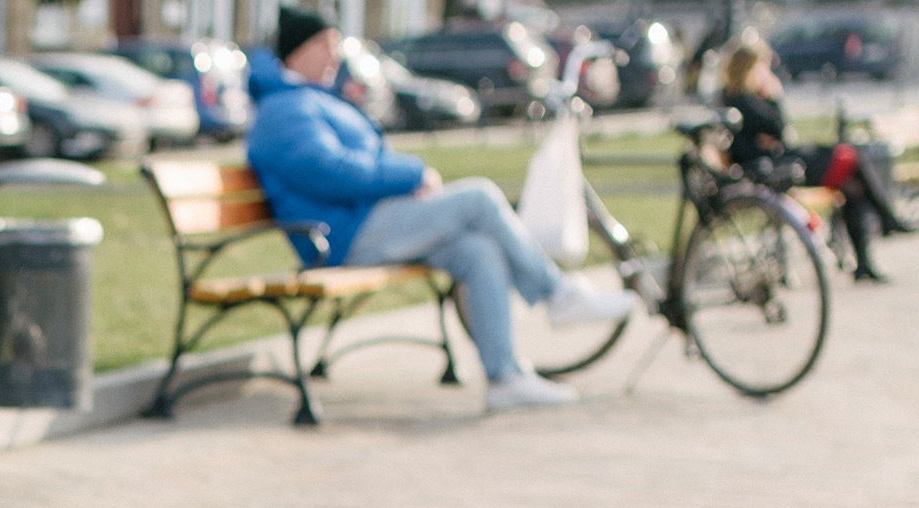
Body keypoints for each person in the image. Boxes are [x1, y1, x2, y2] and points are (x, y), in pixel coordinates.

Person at [246, 7, 637, 413]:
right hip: (341, 237)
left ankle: (505, 377)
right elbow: (332, 173)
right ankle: (557, 293)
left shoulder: (307, 100)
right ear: (297, 52)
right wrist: (412, 174)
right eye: (325, 46)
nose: (336, 56)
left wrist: (404, 183)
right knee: (478, 198)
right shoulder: (283, 109)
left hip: (368, 221)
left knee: (475, 250)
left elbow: (355, 165)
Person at [720, 33, 912, 283]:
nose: (765, 73)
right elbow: (778, 126)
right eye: (762, 66)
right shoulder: (741, 98)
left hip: (777, 162)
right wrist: (774, 95)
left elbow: (775, 133)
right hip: (774, 169)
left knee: (852, 185)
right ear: (748, 67)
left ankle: (867, 257)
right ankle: (886, 221)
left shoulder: (740, 97)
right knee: (850, 159)